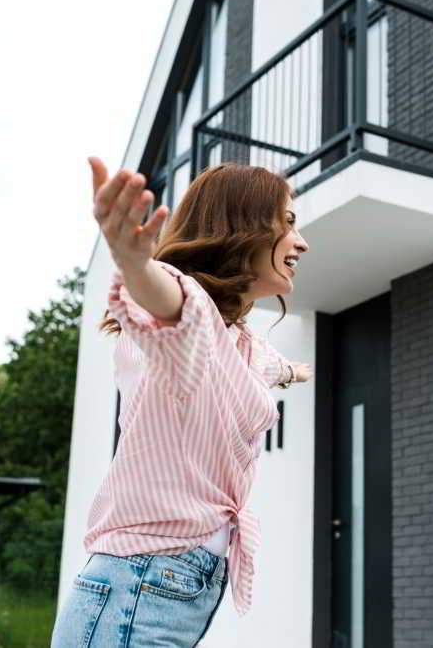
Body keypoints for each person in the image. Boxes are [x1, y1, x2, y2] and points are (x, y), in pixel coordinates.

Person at [51, 159, 311, 647]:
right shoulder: (186, 318)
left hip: (171, 582)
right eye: (289, 223)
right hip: (141, 581)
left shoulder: (240, 342)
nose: (301, 242)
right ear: (244, 226)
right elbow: (169, 298)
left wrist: (296, 373)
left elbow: (268, 366)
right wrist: (133, 261)